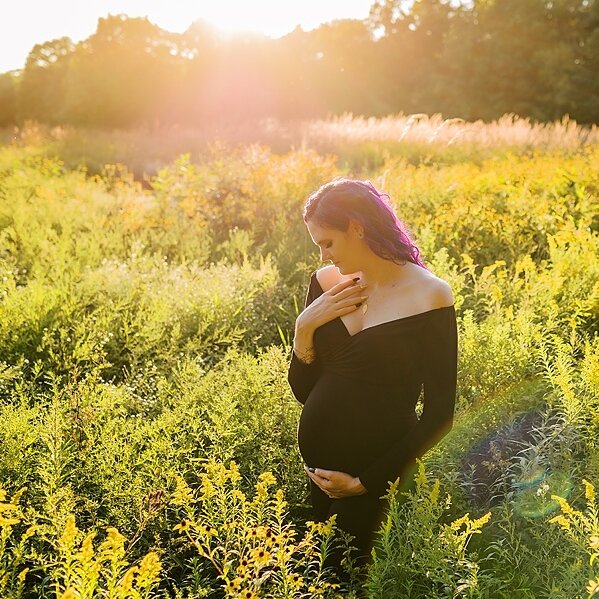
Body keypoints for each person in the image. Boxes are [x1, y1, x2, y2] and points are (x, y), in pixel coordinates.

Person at [287, 178, 458, 574]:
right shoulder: (327, 283)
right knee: (319, 579)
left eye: (328, 242)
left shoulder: (429, 295)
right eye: (318, 246)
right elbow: (303, 390)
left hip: (379, 478)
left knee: (355, 578)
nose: (324, 256)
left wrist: (364, 482)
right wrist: (303, 328)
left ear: (357, 227)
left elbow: (440, 414)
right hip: (321, 480)